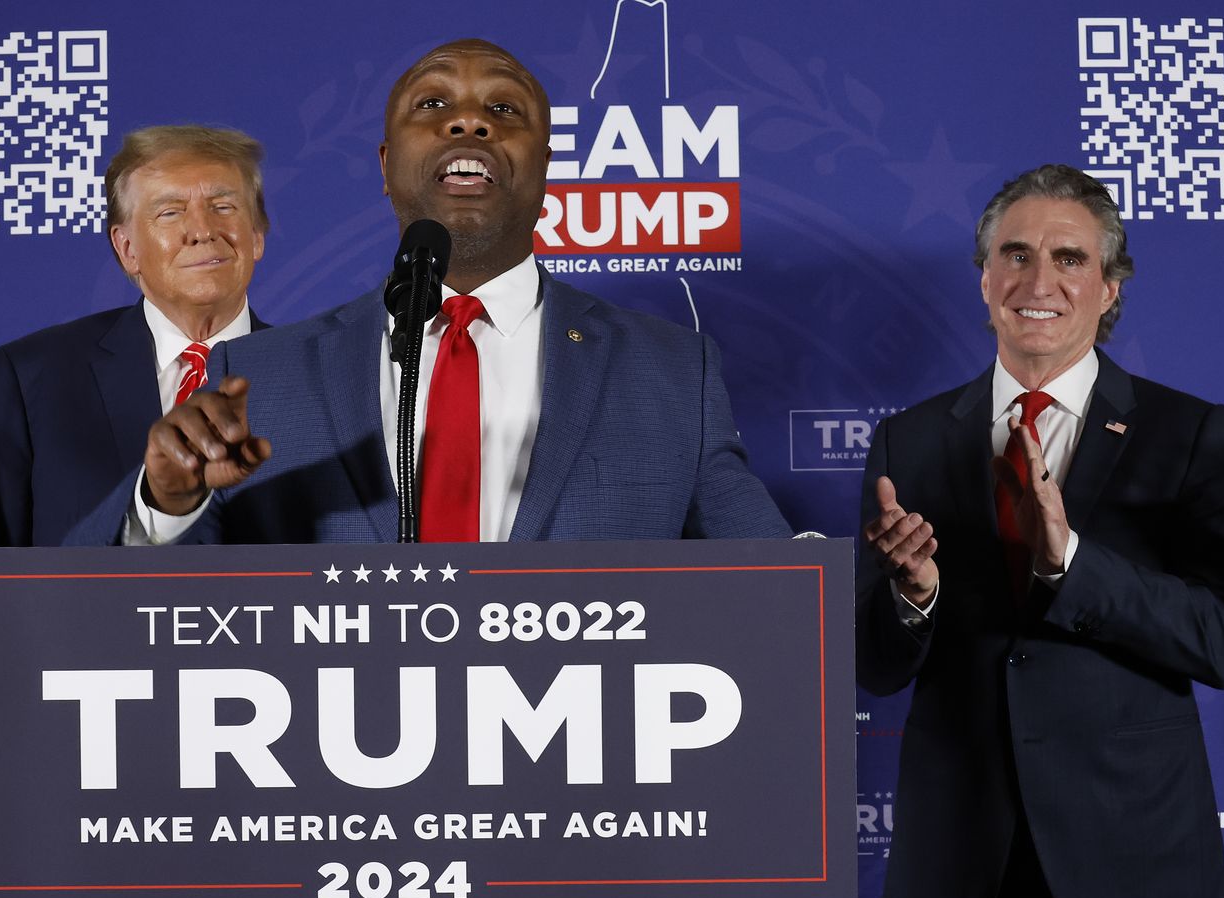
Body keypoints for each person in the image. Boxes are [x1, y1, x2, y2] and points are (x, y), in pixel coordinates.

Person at [855, 164, 1224, 898]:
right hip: (960, 858)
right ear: (984, 276)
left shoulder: (1184, 432)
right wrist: (914, 592)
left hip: (1127, 858)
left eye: (1070, 258)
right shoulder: (908, 441)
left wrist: (1071, 562)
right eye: (1016, 255)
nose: (1040, 282)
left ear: (1109, 288)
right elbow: (873, 664)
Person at [69, 38, 786, 547]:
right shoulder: (258, 377)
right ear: (387, 166)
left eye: (504, 111)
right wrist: (164, 506)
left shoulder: (667, 371)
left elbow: (775, 590)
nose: (468, 120)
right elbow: (116, 621)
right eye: (432, 102)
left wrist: (898, 594)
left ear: (548, 165)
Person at [0, 123, 271, 898]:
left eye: (225, 206)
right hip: (75, 850)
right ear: (126, 248)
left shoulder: (348, 380)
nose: (203, 229)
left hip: (283, 851)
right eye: (170, 212)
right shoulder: (34, 375)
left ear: (259, 233)